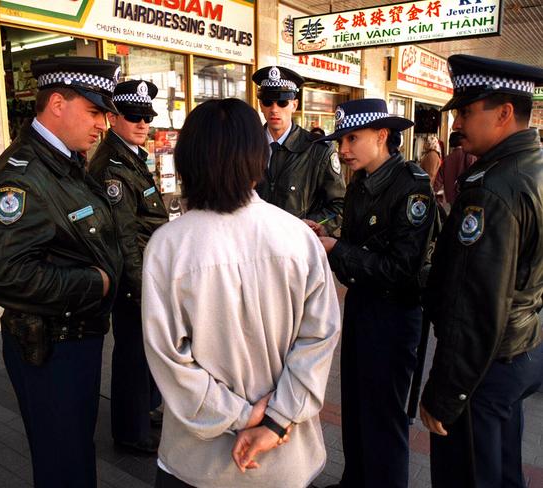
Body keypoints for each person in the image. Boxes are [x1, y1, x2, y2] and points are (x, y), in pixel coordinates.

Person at [141, 98, 341, 488]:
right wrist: (274, 419)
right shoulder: (298, 237)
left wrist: (239, 415)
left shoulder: (167, 246)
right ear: (258, 159)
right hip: (284, 458)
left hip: (197, 464)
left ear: (187, 162)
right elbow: (320, 337)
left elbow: (168, 357)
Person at [0, 56, 123, 488]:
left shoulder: (64, 160)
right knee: (63, 459)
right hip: (53, 347)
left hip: (74, 336)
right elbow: (4, 274)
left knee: (76, 447)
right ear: (57, 103)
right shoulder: (22, 176)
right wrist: (95, 283)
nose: (104, 125)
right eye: (96, 112)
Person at [419, 54, 543, 488]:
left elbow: (475, 309)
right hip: (518, 352)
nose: (458, 124)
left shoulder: (493, 189)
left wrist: (445, 394)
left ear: (505, 113)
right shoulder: (533, 167)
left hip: (482, 368)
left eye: (468, 112)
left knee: (469, 474)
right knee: (504, 470)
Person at [308, 98, 436, 488]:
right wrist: (328, 239)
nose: (343, 149)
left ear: (382, 136)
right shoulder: (362, 183)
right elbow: (358, 246)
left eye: (352, 138)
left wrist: (338, 250)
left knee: (385, 418)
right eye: (340, 140)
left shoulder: (412, 188)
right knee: (357, 408)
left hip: (395, 317)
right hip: (363, 308)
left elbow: (401, 269)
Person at [88, 80, 166, 454]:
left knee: (143, 354)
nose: (142, 123)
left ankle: (143, 413)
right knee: (133, 356)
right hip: (134, 279)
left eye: (147, 116)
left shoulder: (131, 154)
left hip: (145, 274)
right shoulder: (113, 166)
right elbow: (124, 238)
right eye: (134, 116)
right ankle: (130, 433)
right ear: (114, 117)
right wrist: (139, 289)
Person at [252, 66, 346, 236]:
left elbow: (339, 205)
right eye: (268, 102)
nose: (274, 109)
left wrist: (310, 226)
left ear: (294, 105)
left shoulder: (318, 150)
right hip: (253, 244)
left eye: (282, 102)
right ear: (260, 105)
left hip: (296, 247)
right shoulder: (247, 146)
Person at [434, 131, 477, 208]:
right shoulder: (470, 156)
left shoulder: (447, 159)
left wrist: (433, 192)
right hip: (466, 197)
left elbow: (438, 181)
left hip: (450, 198)